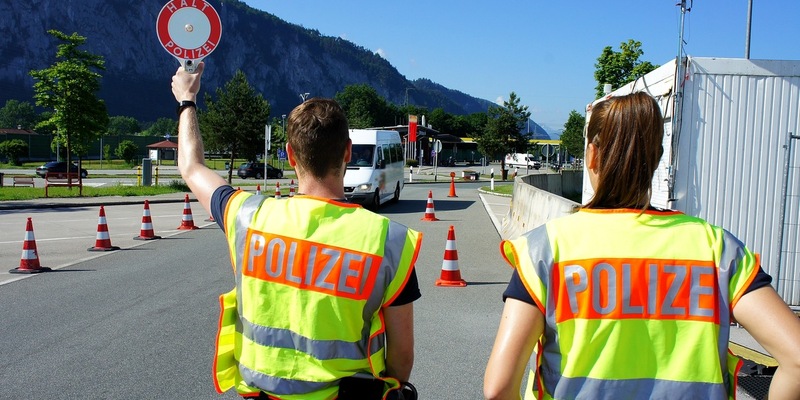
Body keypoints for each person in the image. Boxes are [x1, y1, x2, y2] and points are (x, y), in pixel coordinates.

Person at [483, 92, 800, 400]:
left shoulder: (546, 249)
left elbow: (498, 388)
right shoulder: (717, 248)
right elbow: (797, 360)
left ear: (591, 155)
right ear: (658, 159)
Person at [172, 62, 423, 400]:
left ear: (290, 155)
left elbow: (191, 166)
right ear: (347, 151)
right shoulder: (390, 241)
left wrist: (187, 101)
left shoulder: (247, 216)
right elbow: (401, 356)